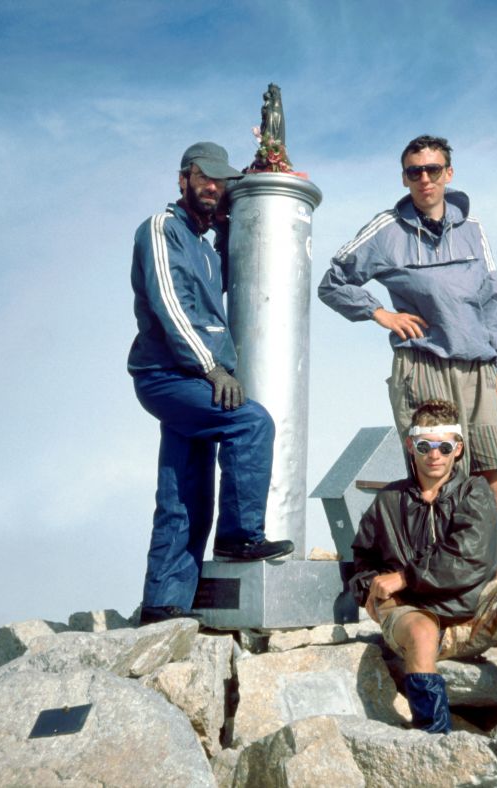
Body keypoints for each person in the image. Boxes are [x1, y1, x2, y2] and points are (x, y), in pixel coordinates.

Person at [128, 141, 293, 625]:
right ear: (183, 178)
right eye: (204, 177)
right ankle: (239, 536)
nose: (213, 187)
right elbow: (170, 305)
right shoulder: (162, 230)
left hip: (194, 379)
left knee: (183, 488)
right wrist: (212, 368)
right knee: (251, 424)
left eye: (221, 181)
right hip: (168, 374)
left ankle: (165, 604)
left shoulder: (206, 242)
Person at [349, 399, 497, 735]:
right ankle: (435, 737)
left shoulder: (475, 491)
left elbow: (469, 558)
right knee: (420, 630)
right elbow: (362, 561)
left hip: (472, 615)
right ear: (410, 445)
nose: (435, 455)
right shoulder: (388, 500)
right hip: (417, 615)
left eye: (444, 446)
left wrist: (403, 577)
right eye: (425, 445)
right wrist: (371, 593)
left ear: (457, 448)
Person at [318, 135, 497, 523]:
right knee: (435, 471)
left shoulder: (473, 229)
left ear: (449, 173)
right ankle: (439, 572)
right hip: (423, 363)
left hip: (478, 369)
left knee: (488, 471)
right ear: (405, 179)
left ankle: (490, 569)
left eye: (433, 169)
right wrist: (380, 313)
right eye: (415, 172)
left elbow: (491, 300)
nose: (425, 178)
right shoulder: (386, 228)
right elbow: (333, 282)